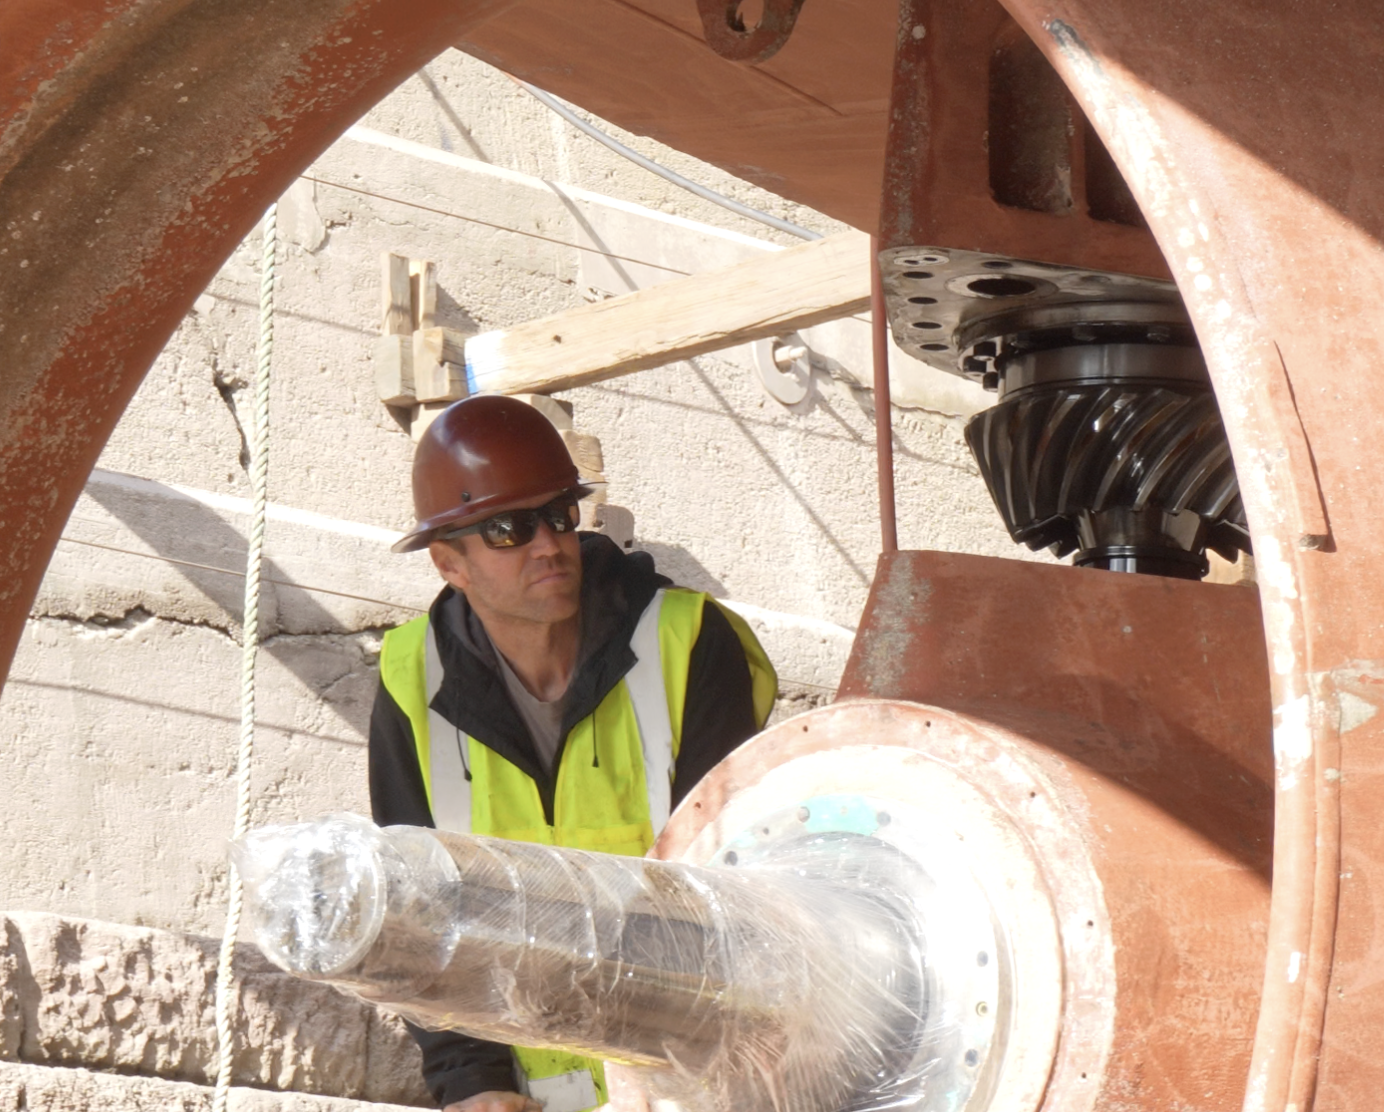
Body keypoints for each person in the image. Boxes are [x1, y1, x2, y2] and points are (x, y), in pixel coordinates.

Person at [368, 395, 777, 1112]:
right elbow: (418, 910)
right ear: (448, 562)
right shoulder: (411, 680)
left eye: (559, 515)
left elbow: (739, 887)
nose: (549, 544)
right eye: (507, 530)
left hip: (693, 1082)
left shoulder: (687, 646)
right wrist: (472, 1081)